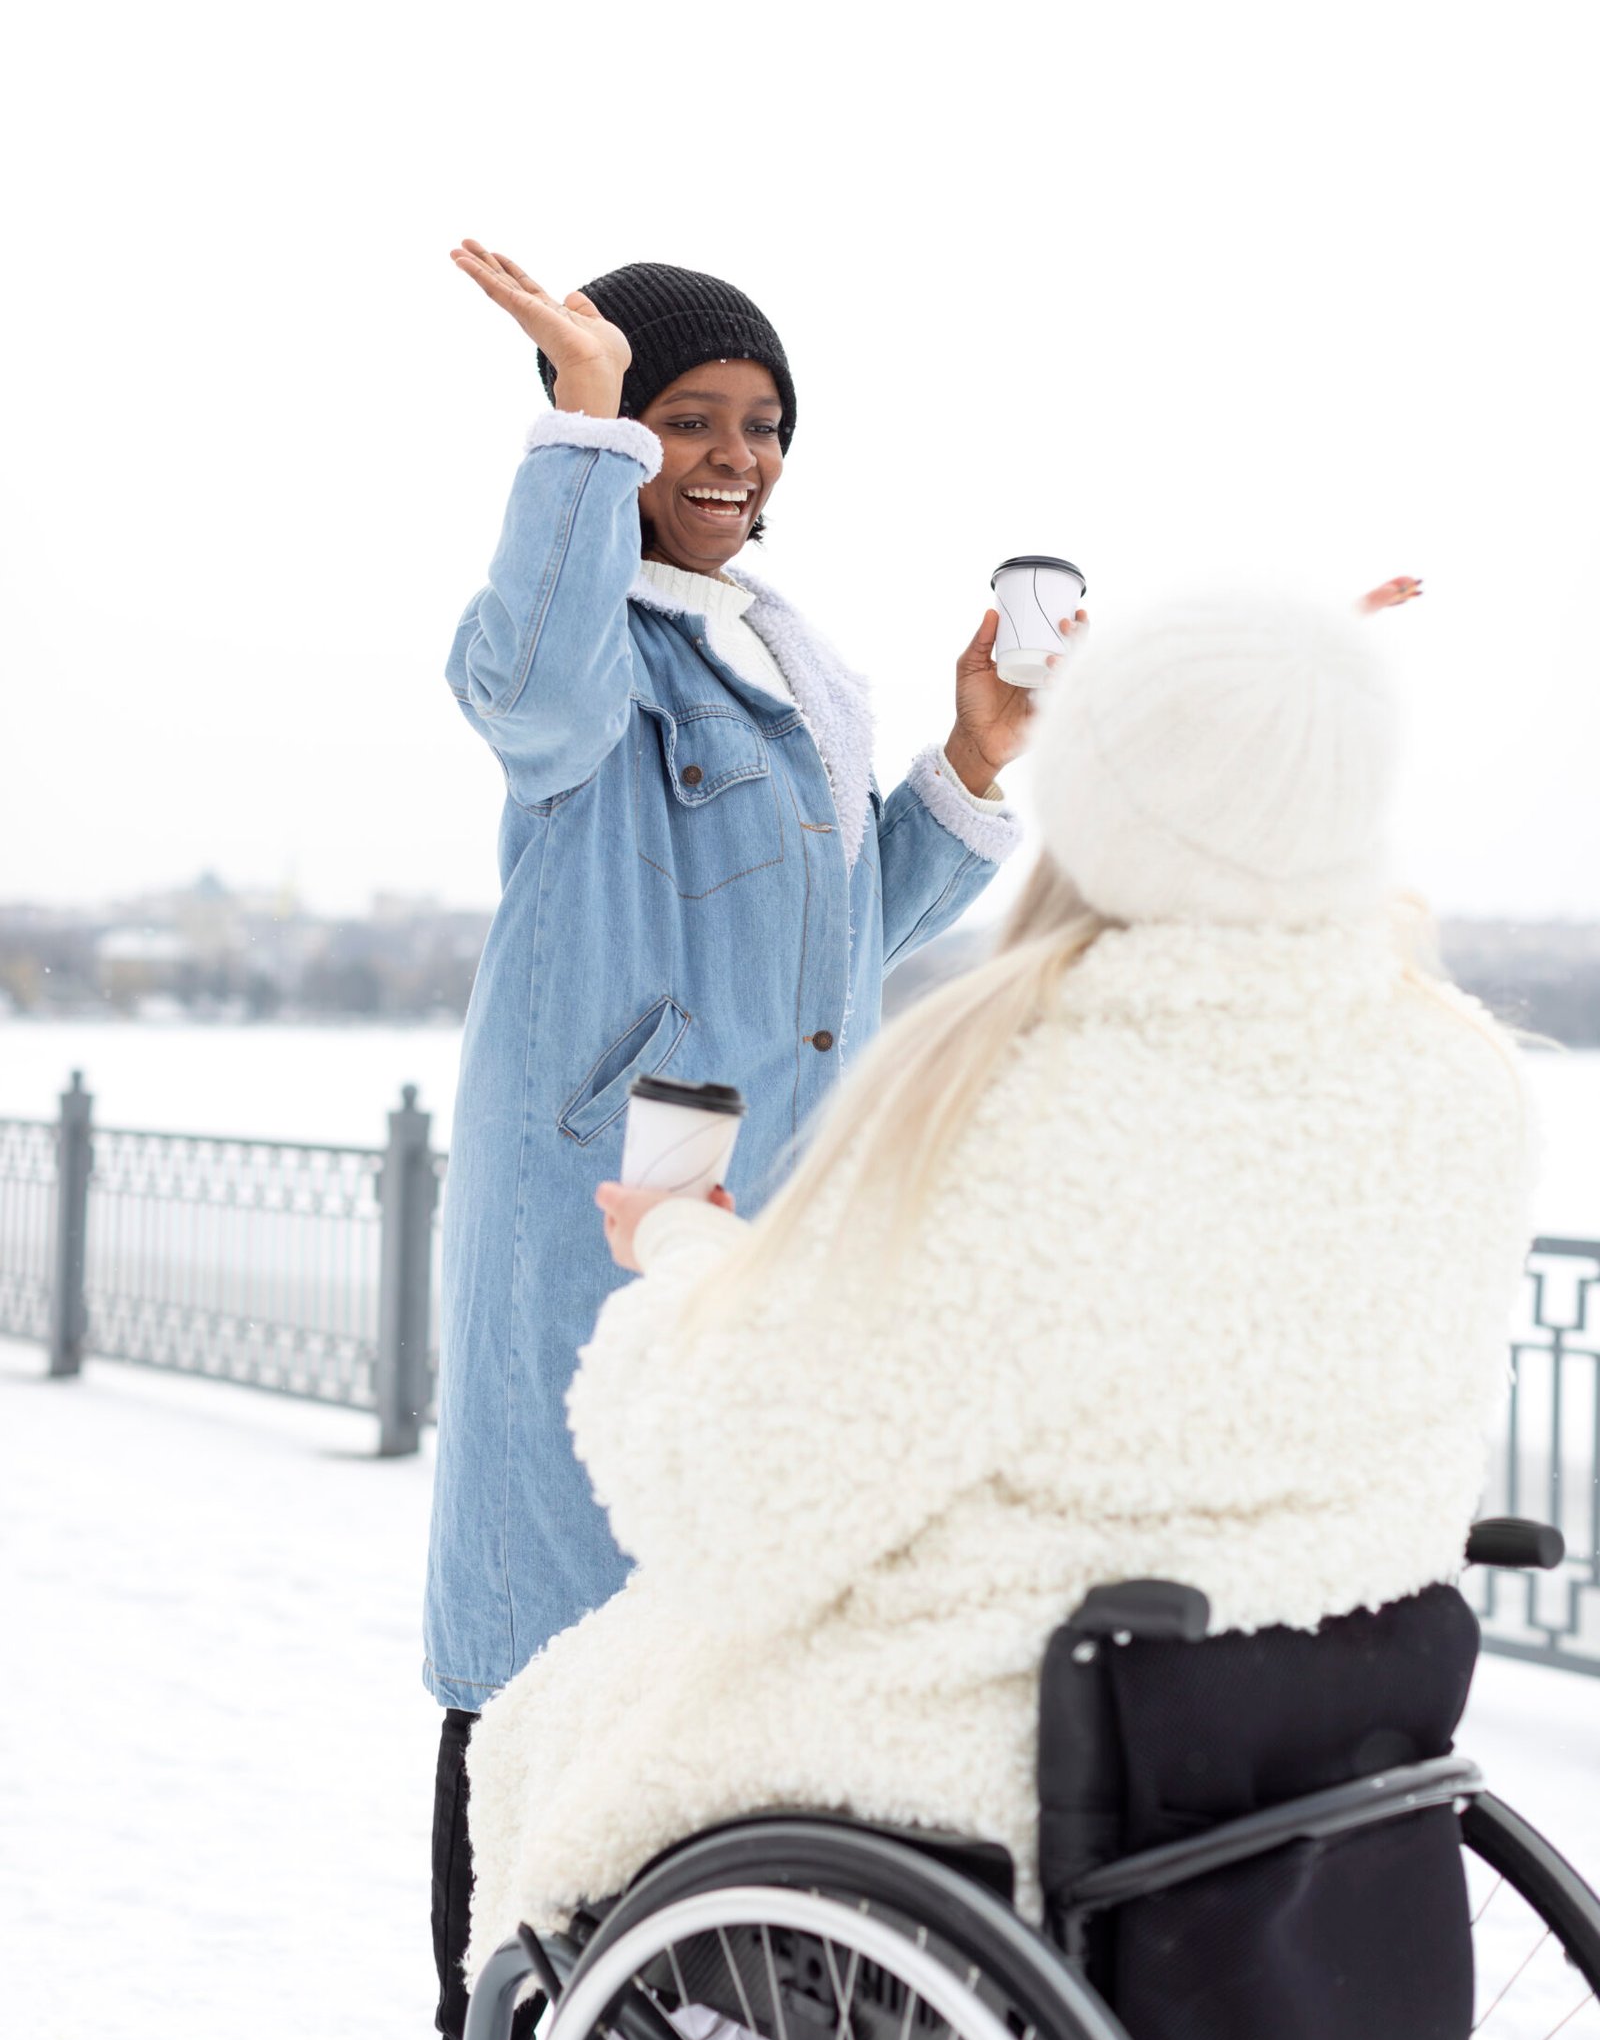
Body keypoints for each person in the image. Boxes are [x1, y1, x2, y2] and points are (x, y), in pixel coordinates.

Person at [463, 584, 1532, 1963]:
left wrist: (677, 1257)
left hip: (1010, 1750)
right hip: (1316, 1721)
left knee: (552, 1727)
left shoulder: (1034, 1091)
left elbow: (744, 1496)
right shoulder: (1456, 1071)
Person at [425, 247, 1060, 2040]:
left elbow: (834, 954)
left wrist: (966, 760)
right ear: (615, 445)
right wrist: (578, 411)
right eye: (686, 421)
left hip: (753, 1243)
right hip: (605, 1232)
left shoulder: (777, 651)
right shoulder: (594, 646)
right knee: (546, 1668)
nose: (728, 454)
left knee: (716, 1662)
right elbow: (512, 693)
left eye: (754, 424)